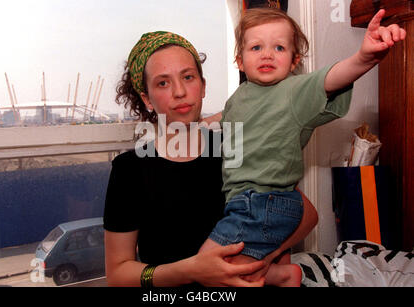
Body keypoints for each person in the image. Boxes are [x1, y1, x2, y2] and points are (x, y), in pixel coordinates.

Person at [198, 8, 406, 287]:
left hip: (263, 200)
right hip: (243, 202)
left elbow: (332, 78)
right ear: (240, 60)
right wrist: (202, 122)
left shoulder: (293, 91)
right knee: (240, 269)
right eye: (256, 47)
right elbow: (229, 117)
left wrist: (364, 57)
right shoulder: (240, 97)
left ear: (294, 60)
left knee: (206, 268)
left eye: (279, 47)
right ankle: (283, 276)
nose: (267, 54)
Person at [103, 31, 318, 287]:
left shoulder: (238, 146)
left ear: (203, 86)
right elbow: (118, 275)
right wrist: (192, 271)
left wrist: (255, 260)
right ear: (146, 98)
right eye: (163, 83)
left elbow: (307, 216)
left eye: (188, 77)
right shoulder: (130, 169)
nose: (180, 91)